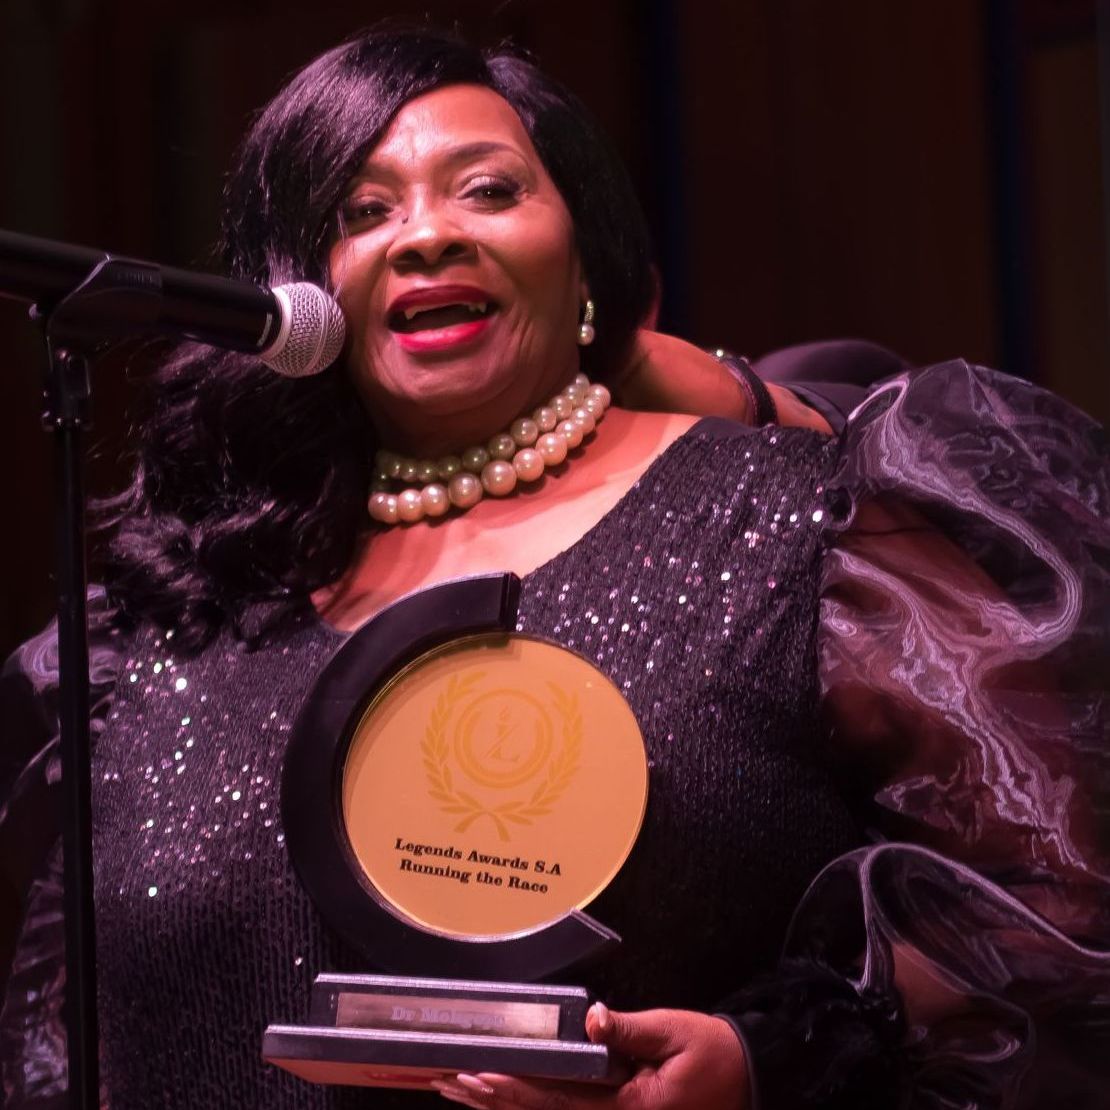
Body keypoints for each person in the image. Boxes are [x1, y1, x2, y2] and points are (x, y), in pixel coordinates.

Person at [2, 25, 1108, 1110]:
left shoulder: (799, 520)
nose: (424, 236)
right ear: (302, 291)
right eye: (361, 212)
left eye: (486, 189)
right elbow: (68, 1032)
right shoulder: (181, 614)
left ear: (588, 257)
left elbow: (1051, 912)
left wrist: (769, 1058)